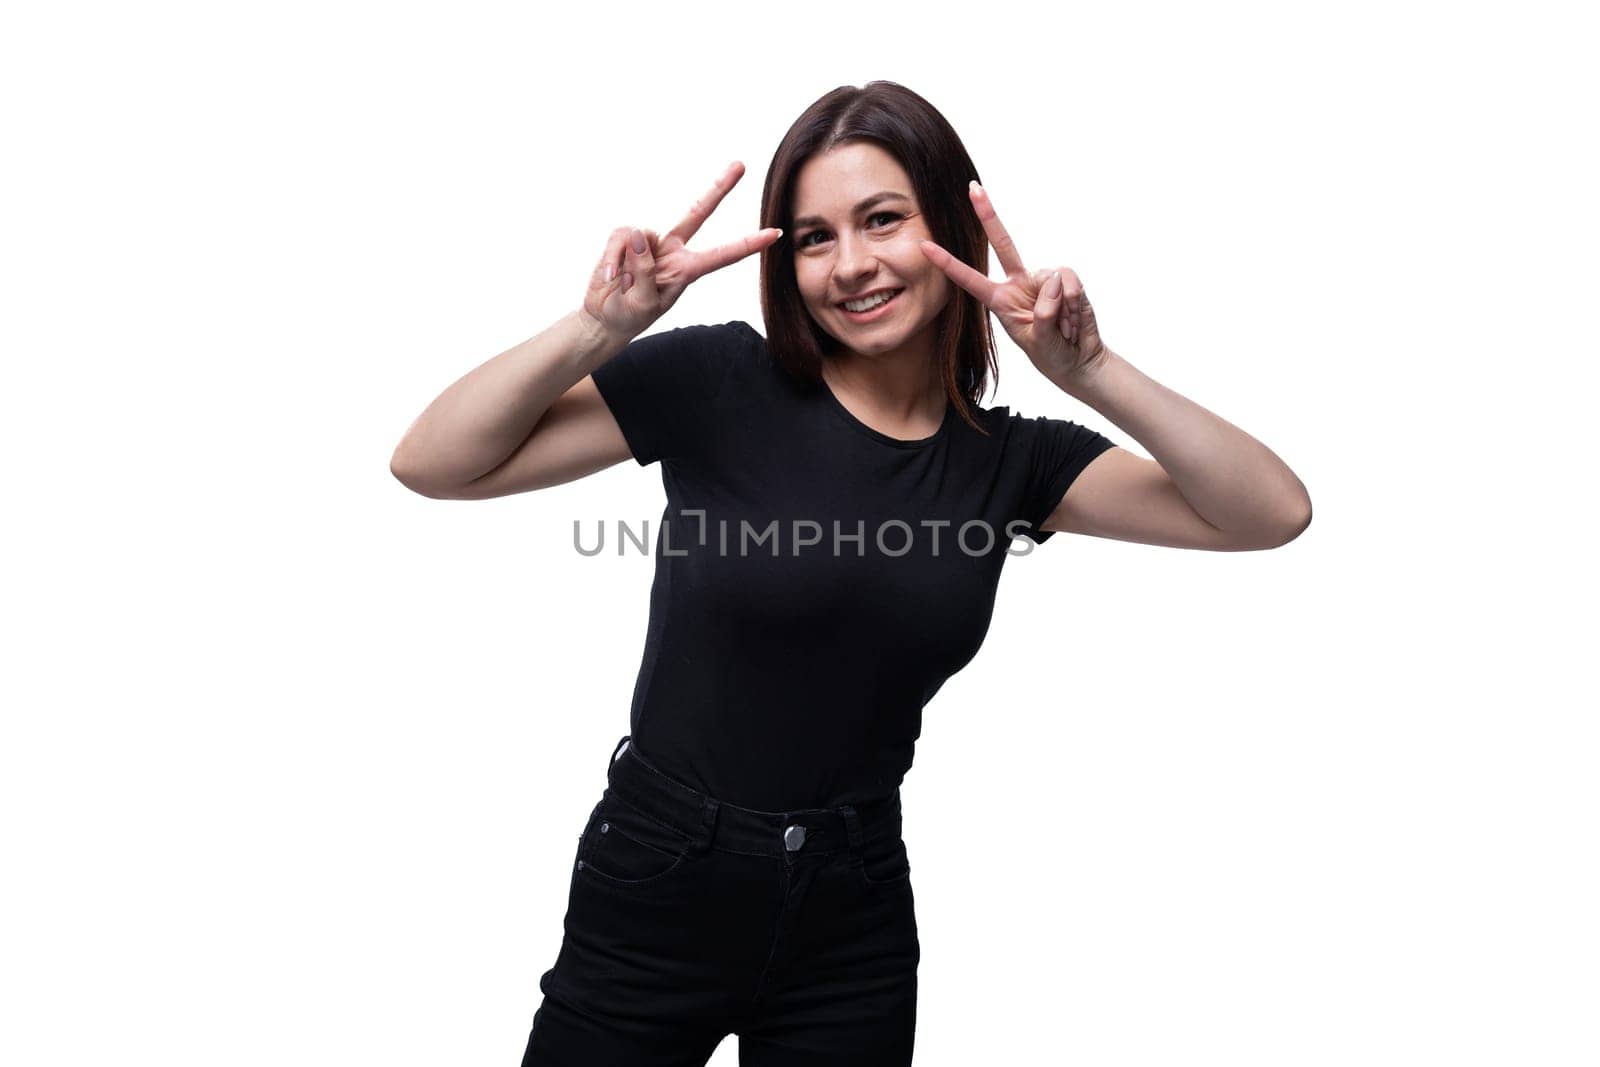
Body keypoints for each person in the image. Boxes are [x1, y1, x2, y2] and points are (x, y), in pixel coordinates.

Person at [390, 80, 1311, 1066]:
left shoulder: (1013, 460)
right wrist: (598, 330)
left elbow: (1268, 511)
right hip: (660, 876)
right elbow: (434, 461)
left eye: (882, 220)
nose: (852, 264)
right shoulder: (717, 382)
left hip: (853, 902)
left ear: (944, 226)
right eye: (815, 236)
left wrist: (1089, 372)